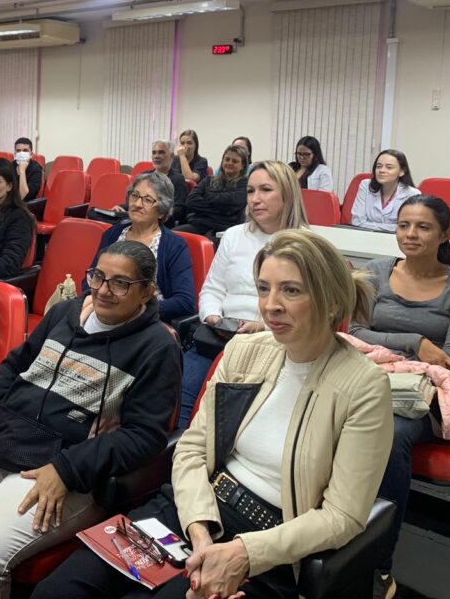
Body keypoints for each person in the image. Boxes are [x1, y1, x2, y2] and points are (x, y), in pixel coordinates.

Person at [33, 230, 393, 599]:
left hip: (271, 542)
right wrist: (199, 530)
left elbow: (341, 517)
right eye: (264, 288)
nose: (271, 305)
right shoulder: (245, 351)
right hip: (192, 507)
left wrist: (243, 553)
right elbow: (191, 448)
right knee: (56, 592)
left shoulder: (363, 388)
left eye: (291, 290)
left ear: (331, 301)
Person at [0, 241, 183, 599]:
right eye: (97, 277)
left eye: (120, 283)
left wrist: (67, 469)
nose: (103, 290)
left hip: (67, 471)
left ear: (147, 292)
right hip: (4, 438)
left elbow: (145, 436)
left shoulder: (157, 347)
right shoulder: (66, 313)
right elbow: (12, 368)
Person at [348, 194, 450, 597]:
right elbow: (354, 333)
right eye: (404, 225)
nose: (410, 234)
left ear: (445, 234)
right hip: (369, 376)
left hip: (423, 394)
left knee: (387, 433)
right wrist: (414, 340)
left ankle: (379, 563)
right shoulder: (374, 272)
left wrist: (416, 354)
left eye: (423, 227)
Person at [181, 161, 307, 424]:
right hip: (219, 339)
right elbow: (212, 290)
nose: (255, 199)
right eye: (250, 191)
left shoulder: (305, 244)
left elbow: (309, 314)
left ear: (287, 194)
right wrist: (214, 318)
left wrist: (263, 327)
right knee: (180, 400)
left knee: (231, 416)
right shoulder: (233, 236)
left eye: (265, 190)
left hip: (273, 344)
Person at [84, 172, 196, 323]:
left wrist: (136, 309)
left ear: (162, 211)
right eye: (134, 196)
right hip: (105, 310)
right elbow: (91, 277)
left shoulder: (174, 245)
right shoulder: (113, 233)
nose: (137, 204)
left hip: (146, 321)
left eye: (148, 200)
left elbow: (184, 302)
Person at [176, 144, 250, 243]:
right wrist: (220, 209)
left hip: (223, 230)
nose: (229, 163)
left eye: (235, 161)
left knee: (207, 245)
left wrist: (207, 197)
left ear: (242, 166)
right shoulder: (209, 180)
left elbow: (233, 203)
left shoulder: (245, 184)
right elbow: (191, 201)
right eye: (226, 159)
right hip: (199, 225)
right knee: (172, 236)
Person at [351, 149, 421, 232]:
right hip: (365, 237)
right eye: (379, 166)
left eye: (389, 167)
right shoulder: (366, 186)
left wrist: (368, 224)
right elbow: (357, 222)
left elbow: (407, 227)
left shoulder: (412, 194)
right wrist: (393, 227)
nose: (382, 170)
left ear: (401, 171)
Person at [150, 140, 188, 224]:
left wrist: (156, 213)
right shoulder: (144, 176)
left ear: (171, 156)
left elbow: (179, 209)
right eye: (154, 152)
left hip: (163, 222)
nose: (156, 156)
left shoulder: (178, 179)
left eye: (161, 152)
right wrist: (121, 207)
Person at [14, 137, 43, 201]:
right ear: (15, 153)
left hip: (25, 206)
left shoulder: (36, 169)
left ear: (31, 154)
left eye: (25, 150)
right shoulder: (9, 166)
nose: (21, 153)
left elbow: (24, 196)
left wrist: (22, 171)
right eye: (18, 151)